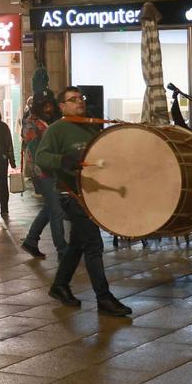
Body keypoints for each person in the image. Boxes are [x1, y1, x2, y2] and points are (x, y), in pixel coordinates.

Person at [34, 86, 132, 317]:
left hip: (90, 194)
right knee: (93, 245)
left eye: (80, 98)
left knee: (78, 244)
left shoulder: (89, 126)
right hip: (72, 195)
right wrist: (63, 160)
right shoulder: (57, 130)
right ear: (62, 106)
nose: (79, 102)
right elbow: (41, 157)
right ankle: (103, 297)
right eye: (73, 99)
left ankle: (59, 285)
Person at [21, 93, 65, 260]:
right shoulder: (31, 123)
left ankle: (31, 241)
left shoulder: (49, 121)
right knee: (56, 209)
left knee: (49, 208)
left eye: (50, 105)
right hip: (41, 171)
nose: (48, 108)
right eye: (45, 105)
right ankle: (62, 249)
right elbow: (33, 147)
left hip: (51, 169)